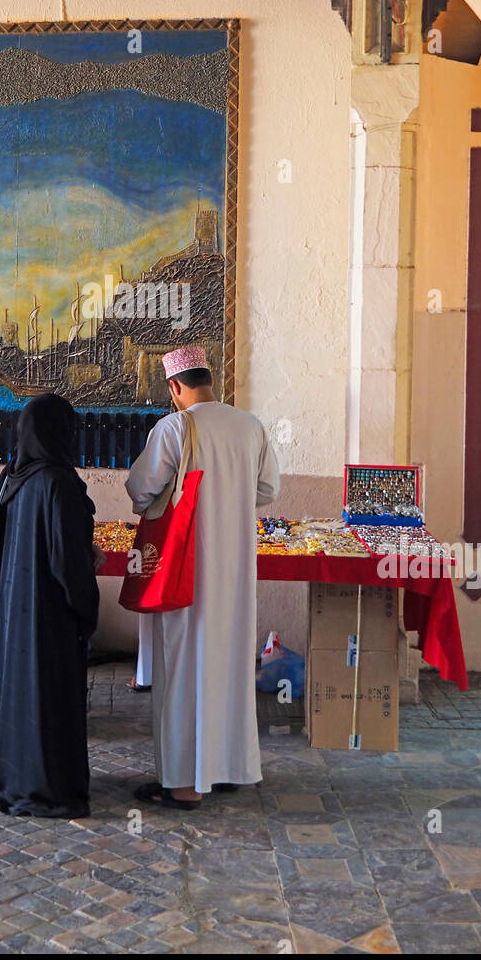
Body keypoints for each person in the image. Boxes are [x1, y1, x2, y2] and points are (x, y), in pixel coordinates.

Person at [125, 346, 280, 808]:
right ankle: (229, 770)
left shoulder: (174, 427)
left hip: (186, 571)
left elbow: (140, 489)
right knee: (229, 670)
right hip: (234, 574)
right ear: (210, 379)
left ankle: (184, 785)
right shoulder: (250, 426)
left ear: (175, 387)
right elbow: (268, 489)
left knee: (183, 672)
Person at [0, 393, 100, 818]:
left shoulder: (14, 479)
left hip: (15, 610)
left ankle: (21, 781)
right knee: (51, 698)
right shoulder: (58, 482)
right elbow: (66, 562)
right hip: (48, 614)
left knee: (21, 697)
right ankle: (52, 789)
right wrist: (86, 607)